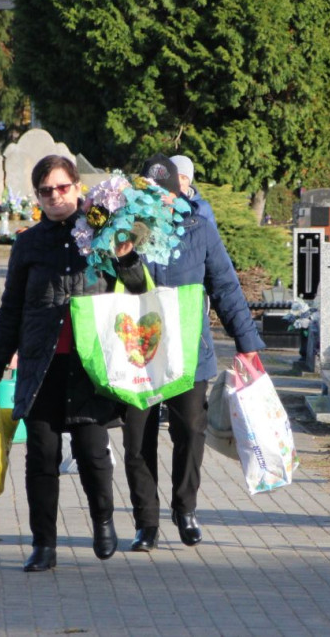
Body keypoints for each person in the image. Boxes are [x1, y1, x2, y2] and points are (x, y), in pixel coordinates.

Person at [0, 154, 145, 573]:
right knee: (41, 456)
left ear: (77, 187)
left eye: (62, 187)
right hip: (42, 364)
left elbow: (138, 290)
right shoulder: (28, 244)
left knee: (92, 453)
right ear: (37, 196)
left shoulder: (104, 232)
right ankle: (44, 544)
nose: (55, 196)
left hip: (89, 365)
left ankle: (103, 521)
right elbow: (11, 307)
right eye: (46, 191)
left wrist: (126, 256)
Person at [123, 154, 265, 552]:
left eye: (165, 194)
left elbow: (225, 287)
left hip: (189, 350)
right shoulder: (126, 231)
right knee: (137, 438)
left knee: (190, 430)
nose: (159, 201)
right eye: (150, 194)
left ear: (178, 193)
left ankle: (185, 509)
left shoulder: (198, 229)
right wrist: (123, 252)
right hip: (140, 350)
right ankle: (146, 522)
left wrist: (247, 344)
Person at [169, 154, 217, 226]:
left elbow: (211, 232)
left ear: (189, 181)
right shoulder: (158, 202)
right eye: (175, 177)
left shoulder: (202, 208)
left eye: (184, 178)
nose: (179, 182)